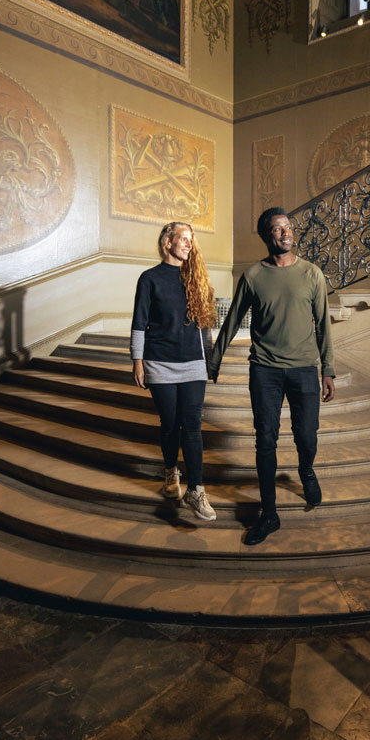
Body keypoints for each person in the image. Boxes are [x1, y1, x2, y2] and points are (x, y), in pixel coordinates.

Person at [209, 207, 335, 545]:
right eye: (277, 229)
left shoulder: (312, 274)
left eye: (288, 227)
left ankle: (306, 471)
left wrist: (329, 370)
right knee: (265, 440)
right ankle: (269, 513)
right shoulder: (253, 277)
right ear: (267, 236)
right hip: (264, 369)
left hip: (305, 369)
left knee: (306, 436)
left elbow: (323, 325)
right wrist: (214, 359)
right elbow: (233, 319)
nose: (285, 233)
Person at [131, 221, 217, 522]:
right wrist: (137, 361)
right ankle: (170, 473)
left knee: (192, 426)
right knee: (170, 423)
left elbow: (205, 327)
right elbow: (139, 323)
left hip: (193, 363)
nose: (188, 244)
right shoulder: (149, 279)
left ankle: (196, 489)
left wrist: (211, 362)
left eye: (191, 240)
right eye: (183, 238)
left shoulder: (196, 278)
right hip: (160, 362)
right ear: (167, 242)